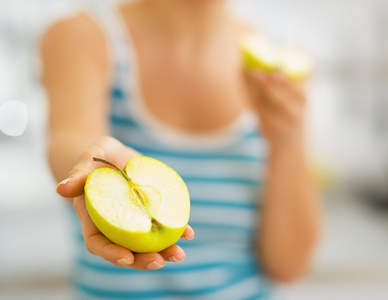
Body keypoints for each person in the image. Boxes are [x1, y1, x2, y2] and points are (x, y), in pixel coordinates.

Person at [41, 0, 321, 299]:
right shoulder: (87, 36)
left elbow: (289, 266)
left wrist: (286, 140)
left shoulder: (276, 62)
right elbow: (69, 138)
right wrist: (90, 163)